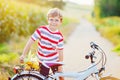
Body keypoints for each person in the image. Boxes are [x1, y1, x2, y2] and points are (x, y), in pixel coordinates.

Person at [20, 8, 64, 80]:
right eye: (51, 19)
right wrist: (23, 54)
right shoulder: (41, 30)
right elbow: (30, 42)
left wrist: (60, 66)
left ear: (60, 22)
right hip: (43, 60)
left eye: (56, 20)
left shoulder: (59, 36)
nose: (53, 22)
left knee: (60, 75)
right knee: (43, 77)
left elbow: (61, 52)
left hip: (54, 60)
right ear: (48, 20)